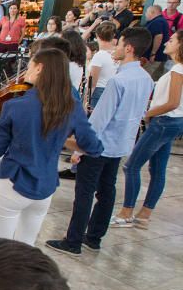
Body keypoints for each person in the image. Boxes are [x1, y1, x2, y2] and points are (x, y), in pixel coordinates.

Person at [0, 48, 102, 244]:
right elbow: (94, 147)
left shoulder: (15, 106)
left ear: (39, 68)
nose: (24, 73)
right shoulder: (70, 106)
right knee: (25, 247)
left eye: (29, 67)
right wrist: (56, 139)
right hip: (45, 188)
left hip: (13, 184)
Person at [47, 28, 154, 256]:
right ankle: (94, 237)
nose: (115, 46)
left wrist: (81, 149)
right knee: (107, 190)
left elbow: (99, 121)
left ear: (129, 48)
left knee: (84, 192)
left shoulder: (118, 80)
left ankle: (73, 240)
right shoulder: (145, 78)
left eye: (120, 43)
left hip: (101, 144)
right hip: (120, 143)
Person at [111, 29, 183, 228]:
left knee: (132, 166)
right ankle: (144, 215)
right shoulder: (177, 69)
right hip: (171, 122)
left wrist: (147, 113)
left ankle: (127, 212)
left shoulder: (178, 71)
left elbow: (173, 102)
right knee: (157, 169)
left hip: (164, 121)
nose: (167, 43)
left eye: (171, 40)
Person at [86, 22, 118, 111]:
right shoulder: (118, 55)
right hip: (112, 91)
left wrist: (86, 100)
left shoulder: (99, 55)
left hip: (98, 91)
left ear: (97, 36)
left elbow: (92, 83)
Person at [143, 4, 171, 80]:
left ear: (152, 12)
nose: (145, 14)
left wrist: (153, 53)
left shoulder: (157, 22)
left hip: (156, 57)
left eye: (146, 12)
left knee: (149, 78)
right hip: (156, 56)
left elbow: (158, 36)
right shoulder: (159, 21)